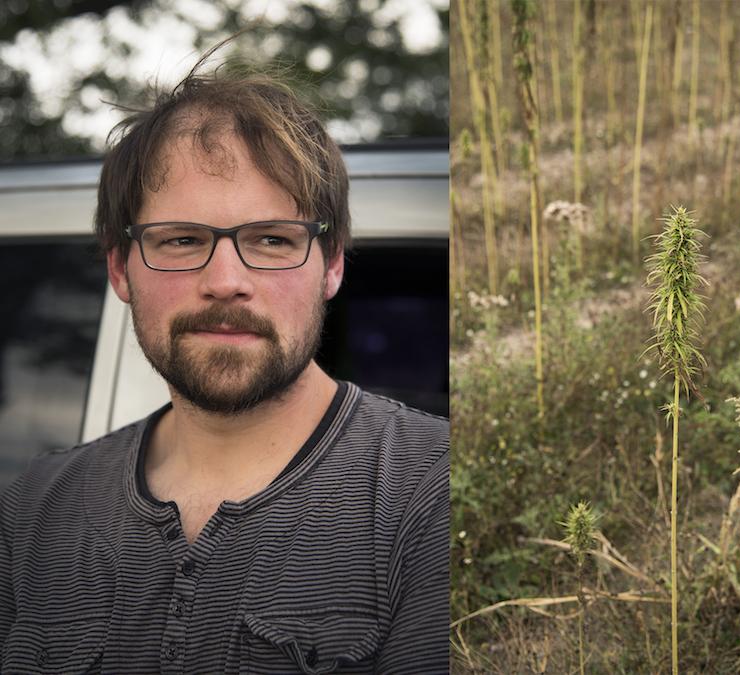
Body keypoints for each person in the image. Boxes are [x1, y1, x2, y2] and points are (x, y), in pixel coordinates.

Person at [0, 53, 449, 674]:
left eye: (272, 239)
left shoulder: (435, 496)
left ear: (333, 265)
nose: (225, 281)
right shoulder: (31, 513)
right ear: (119, 269)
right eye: (181, 240)